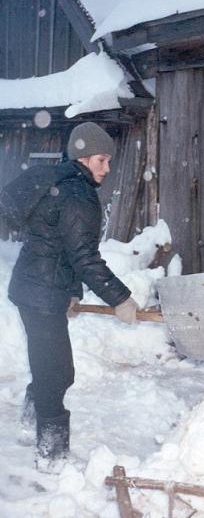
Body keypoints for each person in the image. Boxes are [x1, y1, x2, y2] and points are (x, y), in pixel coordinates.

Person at [0, 122, 138, 469]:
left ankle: (32, 420)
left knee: (51, 367)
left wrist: (72, 293)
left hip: (36, 289)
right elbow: (85, 257)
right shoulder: (77, 195)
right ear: (83, 156)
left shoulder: (61, 183)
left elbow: (61, 247)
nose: (107, 169)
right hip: (42, 294)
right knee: (57, 372)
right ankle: (51, 454)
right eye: (102, 160)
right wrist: (120, 298)